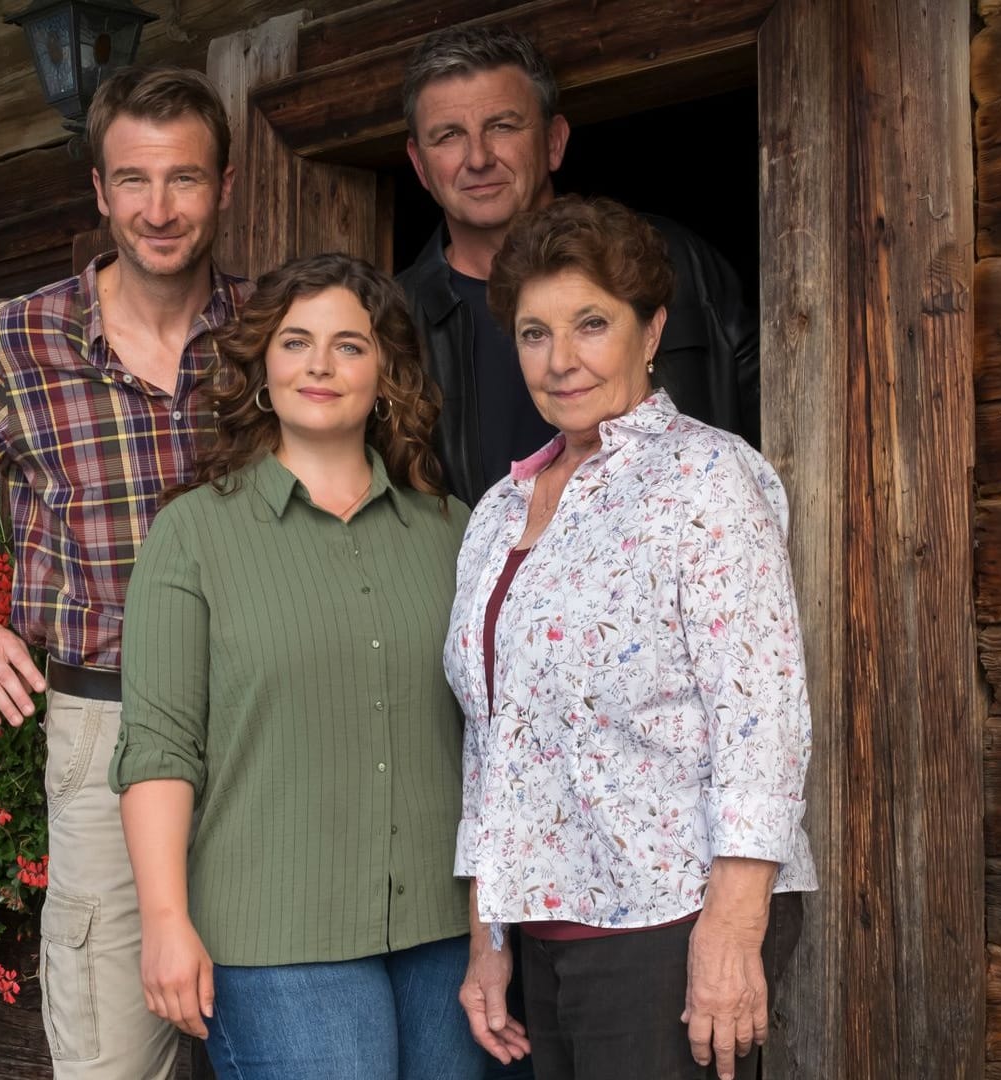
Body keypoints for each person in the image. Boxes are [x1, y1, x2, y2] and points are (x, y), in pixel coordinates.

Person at [0, 65, 245, 1080]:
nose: (160, 210)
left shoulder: (268, 334)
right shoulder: (21, 339)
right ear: (100, 194)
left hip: (261, 726)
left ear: (225, 188)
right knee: (115, 1054)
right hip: (106, 726)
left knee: (284, 1034)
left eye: (185, 179)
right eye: (136, 182)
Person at [446, 196, 815, 1080]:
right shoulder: (500, 510)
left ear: (651, 331)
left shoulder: (707, 477)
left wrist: (731, 930)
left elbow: (762, 713)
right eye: (534, 333)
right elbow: (492, 742)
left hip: (671, 919)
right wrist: (489, 936)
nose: (561, 359)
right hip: (549, 925)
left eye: (590, 324)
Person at [110, 253, 490, 1080]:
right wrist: (167, 920)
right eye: (296, 343)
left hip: (446, 932)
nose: (320, 365)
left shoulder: (455, 531)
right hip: (276, 941)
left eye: (349, 345)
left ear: (386, 373)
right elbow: (160, 749)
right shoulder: (193, 537)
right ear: (262, 370)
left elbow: (496, 735)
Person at [399, 24, 761, 505]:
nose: (478, 158)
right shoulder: (390, 320)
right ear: (419, 164)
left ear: (553, 141)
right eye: (448, 136)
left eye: (502, 126)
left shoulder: (675, 258)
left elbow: (783, 431)